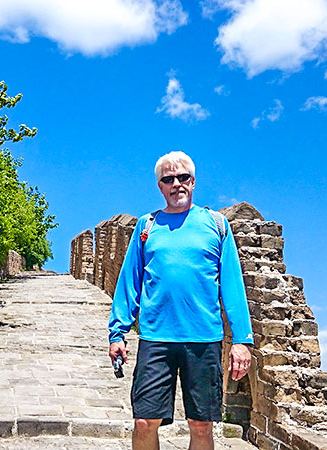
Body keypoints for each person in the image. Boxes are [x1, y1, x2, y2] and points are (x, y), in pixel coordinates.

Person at [108, 151, 253, 450]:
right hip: (155, 337)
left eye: (183, 177)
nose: (177, 184)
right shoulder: (147, 227)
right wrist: (118, 332)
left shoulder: (217, 225)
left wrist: (241, 340)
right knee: (145, 421)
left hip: (204, 339)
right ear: (160, 186)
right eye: (168, 179)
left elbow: (233, 287)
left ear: (194, 182)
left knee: (201, 425)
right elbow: (129, 280)